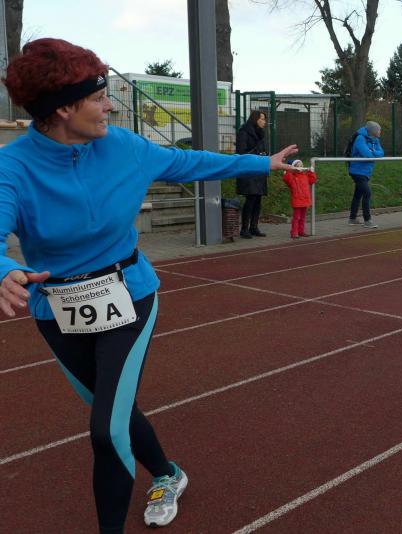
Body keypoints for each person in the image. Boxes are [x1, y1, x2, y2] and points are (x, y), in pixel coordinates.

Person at [0, 38, 298, 533]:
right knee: (114, 411)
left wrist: (260, 163)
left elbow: (191, 163)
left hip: (129, 297)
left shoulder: (124, 148)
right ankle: (168, 473)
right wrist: (3, 269)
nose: (109, 106)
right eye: (99, 98)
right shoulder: (11, 167)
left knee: (105, 428)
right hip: (58, 310)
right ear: (63, 108)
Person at [235, 110, 269, 238]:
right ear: (256, 119)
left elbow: (262, 149)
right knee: (250, 199)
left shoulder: (260, 134)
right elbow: (241, 152)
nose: (264, 122)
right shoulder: (244, 132)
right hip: (249, 170)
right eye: (262, 119)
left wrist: (264, 155)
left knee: (258, 200)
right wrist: (257, 154)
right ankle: (244, 229)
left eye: (265, 119)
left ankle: (254, 227)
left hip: (259, 169)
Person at [347, 120, 384, 229]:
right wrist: (373, 153)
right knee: (367, 193)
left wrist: (373, 152)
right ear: (373, 131)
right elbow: (367, 155)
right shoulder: (360, 138)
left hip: (366, 171)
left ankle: (352, 219)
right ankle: (367, 220)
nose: (380, 132)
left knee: (358, 194)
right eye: (379, 130)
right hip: (357, 171)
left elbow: (381, 153)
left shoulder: (375, 140)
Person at [283, 159, 317, 238]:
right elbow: (287, 179)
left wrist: (311, 172)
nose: (301, 167)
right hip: (297, 200)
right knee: (296, 218)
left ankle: (301, 231)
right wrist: (289, 170)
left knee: (302, 217)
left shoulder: (305, 176)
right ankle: (294, 232)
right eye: (298, 165)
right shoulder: (293, 177)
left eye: (301, 165)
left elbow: (312, 180)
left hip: (305, 200)